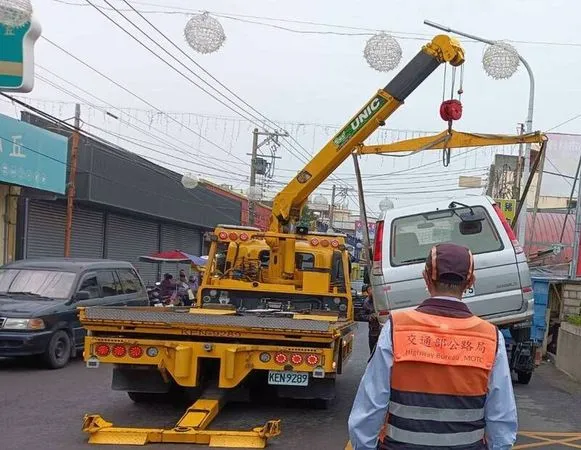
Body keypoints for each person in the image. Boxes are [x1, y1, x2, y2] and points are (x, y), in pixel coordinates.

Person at [348, 243, 517, 450]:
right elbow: (501, 419)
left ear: (426, 277)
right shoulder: (490, 337)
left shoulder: (397, 328)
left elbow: (370, 408)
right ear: (470, 282)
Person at [361, 285, 381, 354]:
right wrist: (370, 317)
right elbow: (362, 316)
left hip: (385, 329)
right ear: (368, 292)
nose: (372, 291)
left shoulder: (383, 299)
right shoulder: (366, 302)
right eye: (369, 290)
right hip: (374, 331)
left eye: (373, 289)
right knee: (373, 351)